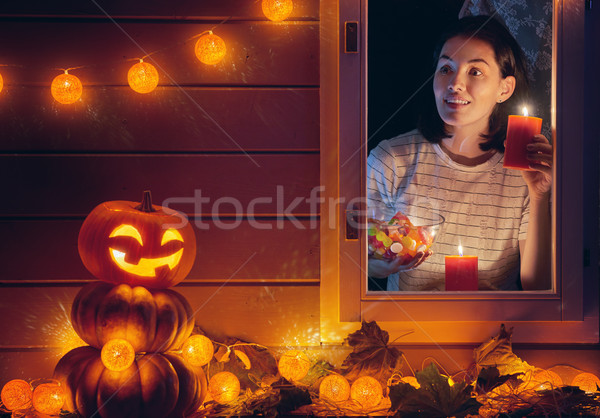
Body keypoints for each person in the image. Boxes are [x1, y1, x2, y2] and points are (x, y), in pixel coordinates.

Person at [367, 15, 552, 291]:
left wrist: (539, 196)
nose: (454, 83)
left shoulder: (523, 174)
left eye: (474, 72)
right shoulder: (391, 160)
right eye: (445, 69)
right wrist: (383, 263)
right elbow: (358, 260)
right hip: (409, 330)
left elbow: (538, 286)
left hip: (496, 331)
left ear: (505, 88)